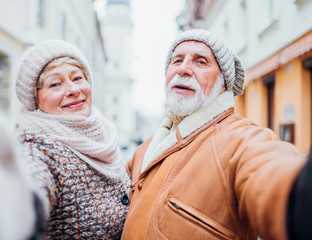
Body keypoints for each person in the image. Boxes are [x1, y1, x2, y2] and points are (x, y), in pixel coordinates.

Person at [121, 29, 311, 240]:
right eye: (177, 60)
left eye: (201, 61)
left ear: (223, 85)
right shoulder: (145, 149)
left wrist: (297, 199)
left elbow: (270, 175)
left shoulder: (240, 139)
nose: (183, 69)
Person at [15, 39, 131, 239]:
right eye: (55, 84)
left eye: (77, 78)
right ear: (36, 98)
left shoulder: (104, 135)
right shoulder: (37, 147)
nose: (73, 90)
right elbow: (30, 181)